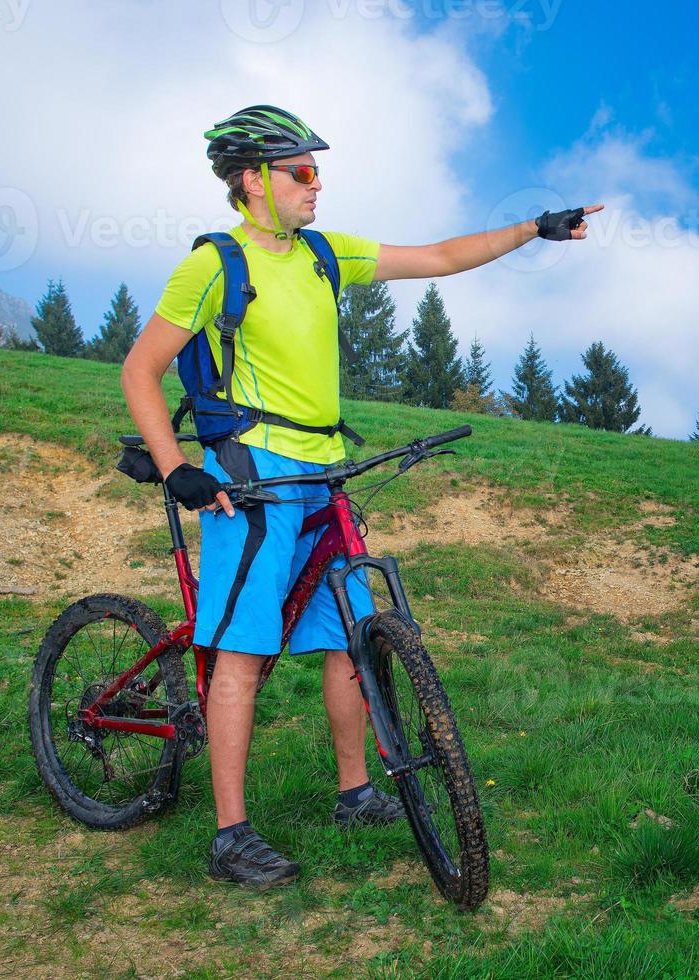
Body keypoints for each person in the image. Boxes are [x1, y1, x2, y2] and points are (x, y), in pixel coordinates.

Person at [121, 104, 601, 889]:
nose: (317, 185)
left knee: (347, 639)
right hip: (250, 472)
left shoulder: (322, 254)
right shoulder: (215, 264)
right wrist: (179, 468)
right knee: (240, 655)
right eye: (300, 171)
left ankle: (354, 793)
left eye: (317, 171)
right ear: (251, 183)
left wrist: (532, 229)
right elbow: (140, 369)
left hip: (325, 467)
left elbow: (441, 256)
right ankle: (230, 836)